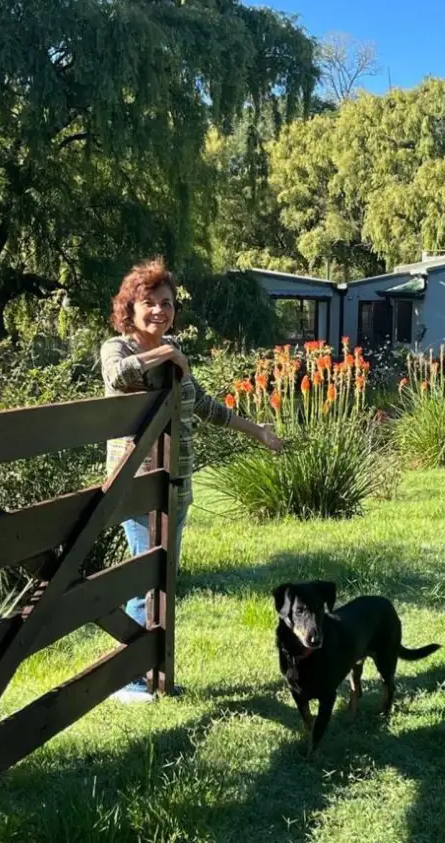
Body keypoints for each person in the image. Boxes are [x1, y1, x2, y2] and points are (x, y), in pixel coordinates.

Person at [101, 258, 282, 703]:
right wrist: (165, 355)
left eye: (167, 303)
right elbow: (117, 377)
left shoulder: (176, 350)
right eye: (150, 303)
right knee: (148, 576)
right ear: (131, 308)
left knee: (163, 578)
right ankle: (127, 679)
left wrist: (256, 430)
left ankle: (155, 673)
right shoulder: (117, 348)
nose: (160, 311)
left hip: (177, 485)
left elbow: (202, 404)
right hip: (139, 485)